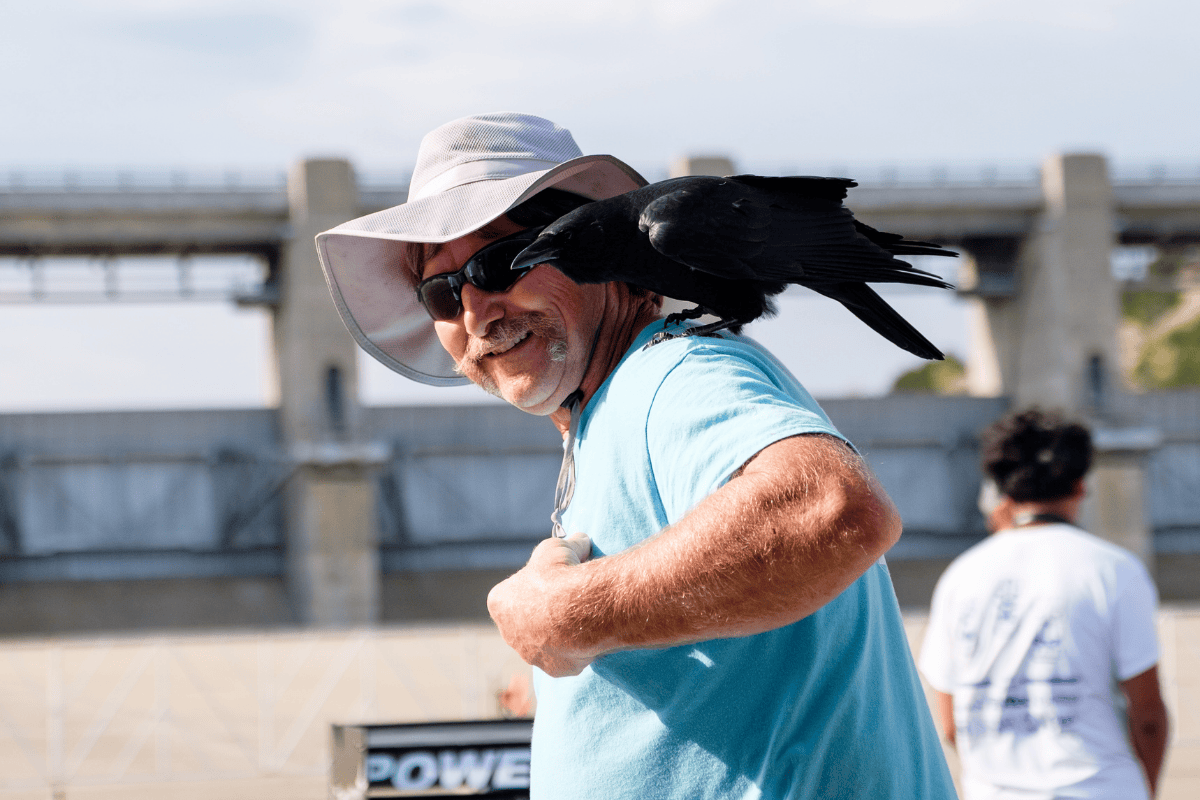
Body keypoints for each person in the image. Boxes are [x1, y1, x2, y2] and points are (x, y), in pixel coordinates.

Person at [316, 112, 956, 799]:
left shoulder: (673, 373)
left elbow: (832, 510)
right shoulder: (611, 408)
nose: (477, 313)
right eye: (442, 293)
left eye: (500, 264)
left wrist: (565, 615)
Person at [919, 409, 1170, 799]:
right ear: (1080, 484)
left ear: (1001, 489)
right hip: (1100, 788)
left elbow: (951, 725)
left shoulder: (960, 577)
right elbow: (1148, 715)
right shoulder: (1114, 570)